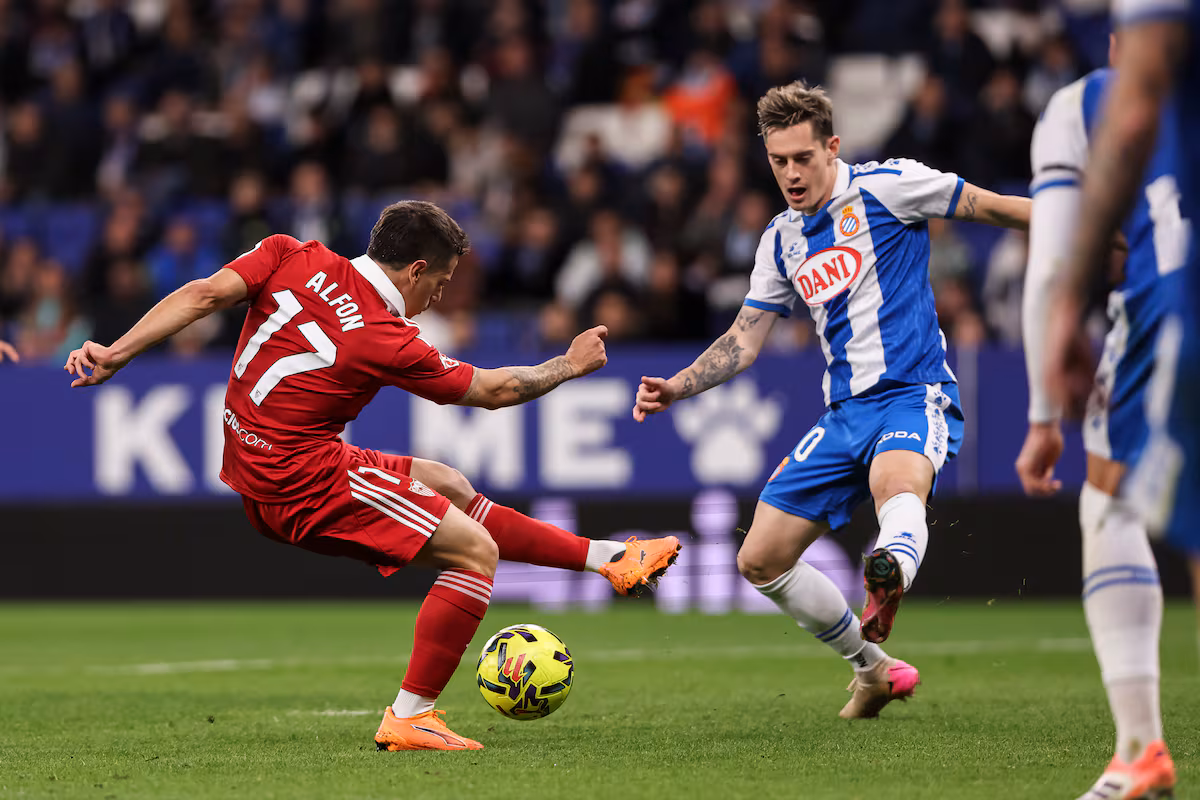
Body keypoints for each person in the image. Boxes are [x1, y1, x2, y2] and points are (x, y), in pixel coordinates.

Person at [64, 200, 681, 751]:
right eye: (440, 283)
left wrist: (116, 352)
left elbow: (202, 295)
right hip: (298, 478)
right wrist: (568, 365)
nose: (437, 296)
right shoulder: (387, 336)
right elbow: (493, 391)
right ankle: (411, 716)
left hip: (261, 458)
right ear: (416, 270)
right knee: (475, 552)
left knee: (448, 484)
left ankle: (609, 559)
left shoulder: (290, 253)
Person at [633, 80, 1030, 718]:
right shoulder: (780, 239)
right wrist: (677, 386)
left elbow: (994, 207)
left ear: (832, 147)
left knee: (895, 485)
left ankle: (890, 569)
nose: (791, 174)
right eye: (778, 161)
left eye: (802, 158)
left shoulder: (890, 186)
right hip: (843, 415)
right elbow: (743, 340)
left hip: (912, 392)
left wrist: (1088, 231)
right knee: (759, 559)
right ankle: (873, 670)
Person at [1016, 35, 1182, 799]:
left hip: (1170, 306)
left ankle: (1140, 749)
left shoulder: (1084, 104)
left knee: (1108, 502)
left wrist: (1043, 413)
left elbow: (1051, 267)